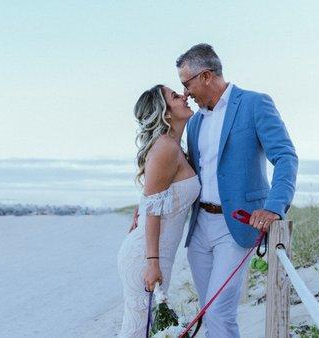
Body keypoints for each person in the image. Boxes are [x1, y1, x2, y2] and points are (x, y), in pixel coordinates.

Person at [177, 43, 298, 337]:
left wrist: (273, 207)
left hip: (236, 225)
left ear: (205, 76)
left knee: (219, 312)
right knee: (210, 314)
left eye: (186, 83)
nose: (184, 94)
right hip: (199, 228)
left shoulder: (255, 104)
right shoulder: (193, 122)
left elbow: (285, 157)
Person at [117, 85, 201, 338]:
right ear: (164, 113)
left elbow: (154, 197)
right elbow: (153, 210)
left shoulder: (175, 148)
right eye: (175, 96)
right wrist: (152, 263)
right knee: (137, 330)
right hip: (146, 256)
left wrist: (140, 208)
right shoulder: (165, 147)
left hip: (157, 253)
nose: (184, 95)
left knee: (144, 328)